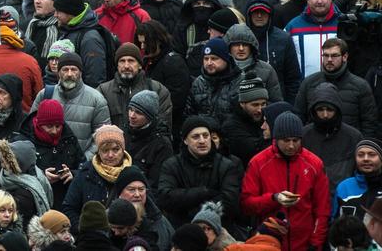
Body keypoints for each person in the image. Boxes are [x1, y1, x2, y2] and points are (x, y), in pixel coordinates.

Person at [241, 112, 331, 251]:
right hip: (268, 244)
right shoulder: (258, 163)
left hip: (305, 244)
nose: (291, 146)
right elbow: (247, 204)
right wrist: (273, 198)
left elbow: (322, 210)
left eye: (295, 140)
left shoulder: (315, 164)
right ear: (276, 138)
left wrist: (316, 243)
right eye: (286, 140)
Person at [157, 116, 243, 229]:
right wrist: (204, 193)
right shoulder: (172, 165)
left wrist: (190, 208)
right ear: (185, 140)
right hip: (181, 230)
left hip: (218, 230)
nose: (202, 141)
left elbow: (230, 203)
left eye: (206, 136)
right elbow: (166, 198)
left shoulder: (227, 166)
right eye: (195, 137)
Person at [293, 38, 377, 138]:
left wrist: (362, 149)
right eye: (326, 55)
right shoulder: (308, 83)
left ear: (345, 57)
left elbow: (369, 123)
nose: (329, 59)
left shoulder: (360, 86)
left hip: (349, 146)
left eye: (334, 56)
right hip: (314, 146)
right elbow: (299, 116)